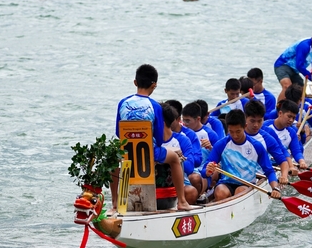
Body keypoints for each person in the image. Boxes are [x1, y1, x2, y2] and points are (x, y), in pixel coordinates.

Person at [115, 64, 195, 211]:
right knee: (175, 159)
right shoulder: (155, 106)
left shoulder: (123, 103)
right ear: (154, 85)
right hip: (149, 152)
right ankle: (182, 201)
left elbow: (118, 132)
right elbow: (159, 137)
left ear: (135, 82)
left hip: (126, 151)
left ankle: (115, 203)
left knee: (113, 162)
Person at [203, 110, 281, 202]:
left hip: (247, 184)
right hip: (226, 183)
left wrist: (275, 188)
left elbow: (269, 171)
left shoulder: (256, 146)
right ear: (227, 128)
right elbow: (204, 172)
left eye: (238, 131)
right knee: (220, 192)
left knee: (240, 191)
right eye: (231, 131)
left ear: (245, 126)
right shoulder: (221, 145)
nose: (235, 135)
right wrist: (208, 171)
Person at [158, 103, 201, 205]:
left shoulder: (183, 140)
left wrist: (176, 158)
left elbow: (189, 168)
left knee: (191, 192)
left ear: (161, 122)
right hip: (154, 184)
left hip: (179, 184)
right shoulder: (151, 140)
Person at [274, 27, 312, 103]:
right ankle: (278, 108)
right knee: (287, 87)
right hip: (283, 66)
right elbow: (299, 66)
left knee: (302, 92)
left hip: (294, 71)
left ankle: (298, 108)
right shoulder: (304, 45)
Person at [243, 100, 290, 185]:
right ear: (245, 118)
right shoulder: (236, 135)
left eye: (259, 121)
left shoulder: (267, 138)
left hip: (259, 177)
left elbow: (282, 161)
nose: (256, 125)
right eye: (252, 121)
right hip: (237, 177)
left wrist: (284, 176)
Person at [262, 100, 307, 170]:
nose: (291, 120)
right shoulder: (265, 126)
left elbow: (296, 151)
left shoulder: (291, 133)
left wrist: (301, 161)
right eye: (289, 116)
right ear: (280, 113)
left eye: (293, 118)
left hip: (280, 164)